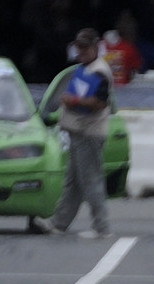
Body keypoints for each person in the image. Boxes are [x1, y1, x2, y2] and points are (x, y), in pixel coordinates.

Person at [35, 29, 115, 239]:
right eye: (79, 47)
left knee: (91, 180)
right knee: (73, 181)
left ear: (95, 47)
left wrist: (74, 101)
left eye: (85, 48)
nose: (81, 51)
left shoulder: (98, 71)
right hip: (79, 131)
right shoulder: (86, 69)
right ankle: (59, 222)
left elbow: (100, 103)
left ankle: (102, 227)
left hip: (88, 132)